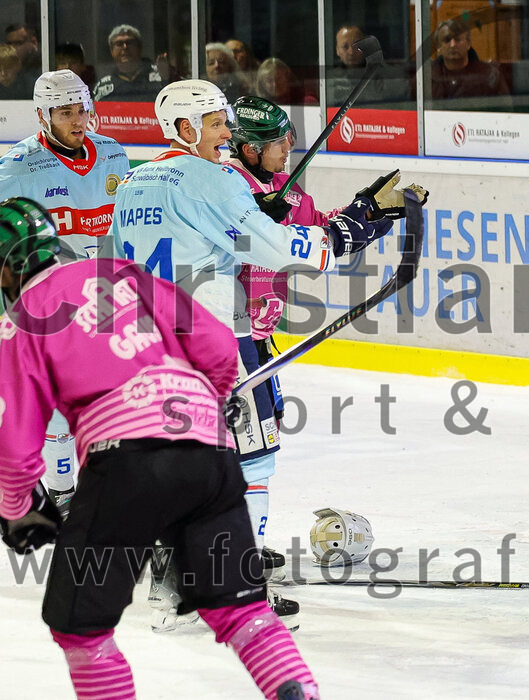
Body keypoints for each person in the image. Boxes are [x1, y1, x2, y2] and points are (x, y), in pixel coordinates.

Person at [108, 79, 420, 630]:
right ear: (184, 129)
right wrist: (351, 228)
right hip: (213, 347)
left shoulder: (133, 181)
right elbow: (282, 249)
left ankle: (174, 587)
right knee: (254, 461)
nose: (227, 134)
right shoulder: (213, 177)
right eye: (216, 124)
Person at [0, 198, 321, 700]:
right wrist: (211, 400)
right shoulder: (120, 271)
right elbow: (216, 343)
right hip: (209, 454)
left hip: (124, 464)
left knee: (82, 629)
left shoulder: (22, 320)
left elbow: (16, 447)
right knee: (242, 612)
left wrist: (17, 511)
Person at [225, 95, 427, 581]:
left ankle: (234, 542)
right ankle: (234, 553)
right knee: (250, 448)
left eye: (290, 137)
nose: (289, 148)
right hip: (226, 338)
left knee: (252, 445)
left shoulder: (285, 190)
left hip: (255, 341)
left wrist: (373, 212)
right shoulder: (226, 186)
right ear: (248, 149)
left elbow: (321, 233)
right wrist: (359, 213)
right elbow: (277, 237)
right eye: (277, 143)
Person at [0, 70, 130, 517]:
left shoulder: (113, 153)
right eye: (65, 112)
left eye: (82, 109)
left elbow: (125, 225)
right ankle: (63, 490)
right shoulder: (20, 166)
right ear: (42, 115)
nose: (78, 120)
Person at [430, 18, 510, 101]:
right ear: (438, 47)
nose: (452, 45)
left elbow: (505, 111)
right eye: (447, 40)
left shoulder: (490, 75)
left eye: (457, 39)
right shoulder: (426, 77)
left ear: (468, 44)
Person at [92, 24, 165, 102]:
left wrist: (166, 77)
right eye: (119, 44)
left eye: (130, 42)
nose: (125, 47)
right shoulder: (102, 87)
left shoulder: (161, 76)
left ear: (139, 47)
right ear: (111, 51)